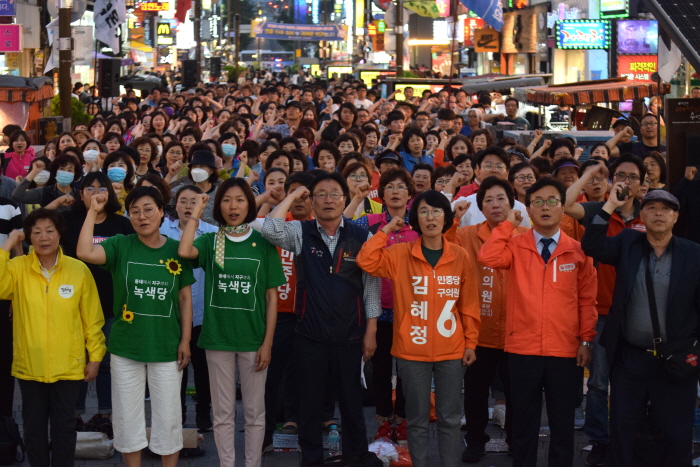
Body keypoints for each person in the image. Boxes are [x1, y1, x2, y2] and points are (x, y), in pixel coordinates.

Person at [261, 172, 381, 467]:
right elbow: (269, 229)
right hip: (310, 335)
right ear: (311, 201)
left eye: (335, 194)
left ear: (344, 200)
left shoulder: (360, 235)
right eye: (321, 194)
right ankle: (312, 459)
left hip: (350, 334)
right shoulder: (301, 232)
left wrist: (371, 331)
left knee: (352, 404)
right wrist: (292, 195)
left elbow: (372, 287)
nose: (328, 200)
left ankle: (356, 457)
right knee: (310, 404)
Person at [478, 177, 597, 467]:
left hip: (565, 351)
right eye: (538, 202)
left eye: (552, 201)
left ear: (563, 208)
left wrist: (585, 339)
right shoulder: (516, 244)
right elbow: (488, 256)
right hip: (522, 349)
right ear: (528, 209)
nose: (545, 207)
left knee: (562, 424)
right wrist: (508, 224)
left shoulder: (577, 250)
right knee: (523, 424)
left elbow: (586, 300)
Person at [357, 189, 480, 467]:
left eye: (436, 211)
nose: (430, 217)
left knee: (449, 418)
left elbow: (469, 305)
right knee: (416, 420)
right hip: (411, 352)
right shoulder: (399, 254)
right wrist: (387, 228)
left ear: (446, 217)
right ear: (416, 219)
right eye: (423, 211)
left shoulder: (460, 256)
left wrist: (471, 342)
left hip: (452, 351)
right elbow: (367, 260)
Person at [581, 190, 700, 467]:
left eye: (665, 209)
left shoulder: (694, 254)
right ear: (641, 216)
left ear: (675, 217)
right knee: (622, 429)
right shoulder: (628, 243)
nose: (658, 213)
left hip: (675, 360)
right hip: (630, 358)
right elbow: (592, 245)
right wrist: (610, 204)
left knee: (677, 433)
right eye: (652, 208)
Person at [77, 186, 194, 466]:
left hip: (166, 347)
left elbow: (184, 297)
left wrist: (185, 340)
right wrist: (93, 210)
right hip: (125, 347)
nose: (142, 217)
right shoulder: (120, 244)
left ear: (162, 213)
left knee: (168, 417)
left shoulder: (175, 250)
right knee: (128, 417)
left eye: (148, 209)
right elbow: (83, 252)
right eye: (135, 211)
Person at [178, 177, 286, 466]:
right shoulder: (212, 239)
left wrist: (268, 343)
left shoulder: (262, 242)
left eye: (239, 199)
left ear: (249, 204)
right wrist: (196, 212)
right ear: (218, 205)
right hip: (217, 338)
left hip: (253, 340)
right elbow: (184, 251)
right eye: (226, 200)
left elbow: (271, 298)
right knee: (223, 414)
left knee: (254, 413)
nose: (233, 206)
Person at [0, 209, 106, 467]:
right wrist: (7, 246)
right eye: (36, 232)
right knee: (34, 430)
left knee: (64, 429)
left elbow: (92, 319)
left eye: (49, 231)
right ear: (28, 237)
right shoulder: (17, 268)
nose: (43, 237)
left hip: (68, 365)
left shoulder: (78, 270)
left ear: (60, 234)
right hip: (30, 365)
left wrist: (96, 356)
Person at [449, 177, 529, 463]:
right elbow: (444, 248)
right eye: (488, 200)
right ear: (480, 207)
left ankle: (516, 439)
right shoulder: (468, 234)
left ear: (512, 203)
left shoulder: (525, 235)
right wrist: (454, 221)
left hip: (515, 330)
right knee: (475, 392)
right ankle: (475, 440)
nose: (495, 205)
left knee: (517, 391)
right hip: (478, 330)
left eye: (501, 199)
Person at [59, 172, 135, 431]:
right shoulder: (68, 220)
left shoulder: (121, 224)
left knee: (106, 363)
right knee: (77, 360)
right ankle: (76, 416)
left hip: (112, 305)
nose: (94, 192)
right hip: (73, 305)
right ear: (80, 194)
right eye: (88, 188)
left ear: (110, 193)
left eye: (101, 188)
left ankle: (105, 416)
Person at [160, 185, 218, 432]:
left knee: (205, 370)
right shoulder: (163, 230)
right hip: (173, 313)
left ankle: (204, 413)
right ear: (175, 205)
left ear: (203, 206)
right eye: (183, 201)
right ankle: (178, 415)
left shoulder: (214, 233)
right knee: (177, 368)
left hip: (205, 313)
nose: (188, 206)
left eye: (194, 202)